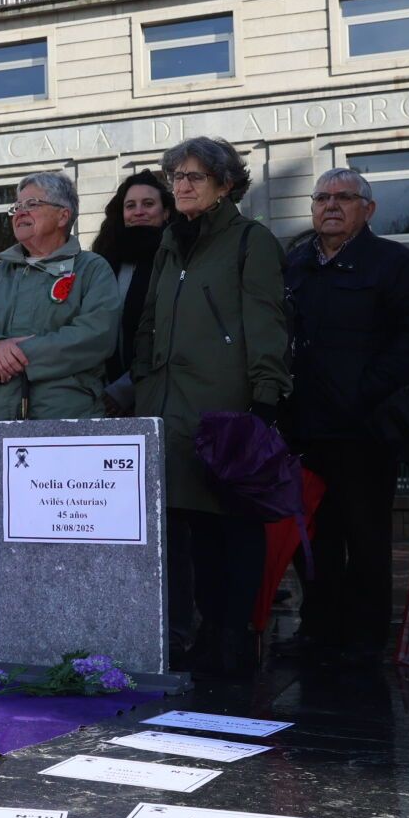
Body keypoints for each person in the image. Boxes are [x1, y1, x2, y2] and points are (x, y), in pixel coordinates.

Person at [132, 137, 291, 680]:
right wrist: (145, 387)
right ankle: (207, 635)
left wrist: (265, 398)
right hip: (169, 407)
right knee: (192, 530)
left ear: (226, 184)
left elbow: (266, 322)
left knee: (234, 530)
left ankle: (233, 637)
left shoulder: (252, 241)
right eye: (176, 177)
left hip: (226, 409)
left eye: (195, 177)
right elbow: (149, 323)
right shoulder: (171, 244)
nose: (182, 186)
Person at [0, 171, 121, 649]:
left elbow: (96, 335)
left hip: (61, 427)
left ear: (63, 215)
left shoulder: (92, 270)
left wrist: (26, 354)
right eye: (16, 206)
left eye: (31, 204)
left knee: (60, 534)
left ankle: (70, 634)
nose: (19, 213)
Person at [283, 166, 409, 658]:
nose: (330, 206)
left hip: (364, 430)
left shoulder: (395, 263)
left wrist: (361, 392)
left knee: (366, 537)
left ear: (367, 210)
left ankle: (366, 640)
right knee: (312, 539)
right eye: (322, 198)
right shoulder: (293, 265)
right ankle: (317, 629)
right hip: (304, 430)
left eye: (344, 198)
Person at [90, 170, 175, 414]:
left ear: (166, 212)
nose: (139, 211)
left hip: (157, 394)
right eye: (131, 205)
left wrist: (125, 390)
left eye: (148, 204)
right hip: (102, 394)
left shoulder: (176, 261)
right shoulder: (104, 262)